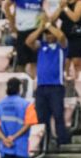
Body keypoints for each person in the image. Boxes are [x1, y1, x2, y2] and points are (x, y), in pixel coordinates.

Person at [26, 15, 70, 150]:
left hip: (56, 86)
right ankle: (45, 142)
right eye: (47, 33)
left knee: (58, 114)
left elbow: (61, 36)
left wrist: (49, 25)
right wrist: (41, 28)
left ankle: (62, 142)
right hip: (41, 87)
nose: (49, 35)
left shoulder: (61, 47)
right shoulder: (41, 46)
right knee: (41, 117)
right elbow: (29, 41)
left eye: (51, 33)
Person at [4, 0, 44, 77]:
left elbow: (45, 9)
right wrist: (12, 24)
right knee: (21, 63)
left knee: (34, 61)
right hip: (21, 30)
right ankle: (21, 81)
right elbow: (6, 6)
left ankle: (34, 82)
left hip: (35, 31)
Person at [51, 0, 81, 78]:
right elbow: (52, 19)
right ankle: (66, 78)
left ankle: (77, 79)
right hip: (65, 36)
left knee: (76, 62)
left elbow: (75, 18)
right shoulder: (63, 4)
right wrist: (60, 8)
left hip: (77, 36)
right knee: (65, 61)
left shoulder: (79, 3)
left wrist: (65, 8)